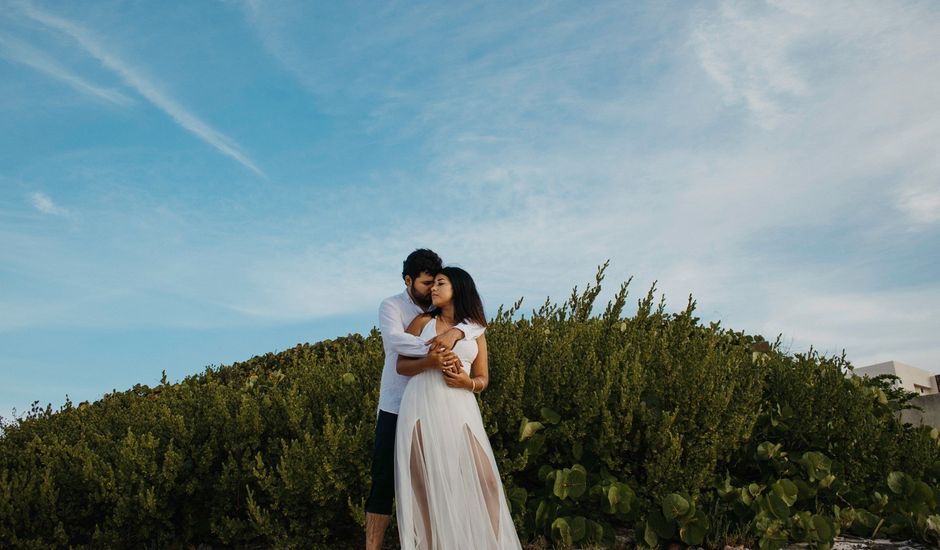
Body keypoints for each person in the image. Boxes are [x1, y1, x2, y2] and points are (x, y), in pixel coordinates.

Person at [394, 267, 522, 550]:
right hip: (421, 403)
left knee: (486, 480)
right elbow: (401, 365)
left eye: (441, 283)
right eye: (433, 284)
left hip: (461, 407)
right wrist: (431, 362)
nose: (434, 289)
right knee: (424, 488)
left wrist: (467, 382)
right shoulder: (422, 322)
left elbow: (483, 378)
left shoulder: (474, 330)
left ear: (459, 289)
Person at [365, 250, 485, 550]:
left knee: (446, 477)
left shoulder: (455, 319)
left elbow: (477, 324)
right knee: (384, 480)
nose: (431, 289)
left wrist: (457, 332)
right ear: (409, 280)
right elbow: (395, 343)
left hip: (443, 405)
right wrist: (438, 349)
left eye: (437, 282)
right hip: (397, 402)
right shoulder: (393, 306)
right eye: (426, 283)